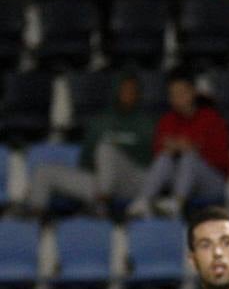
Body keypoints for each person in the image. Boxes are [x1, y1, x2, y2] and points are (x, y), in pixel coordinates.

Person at [26, 73, 154, 217]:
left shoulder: (147, 124)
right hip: (100, 185)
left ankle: (101, 206)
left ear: (138, 94)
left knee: (106, 150)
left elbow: (151, 166)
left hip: (133, 183)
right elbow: (85, 161)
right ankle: (33, 224)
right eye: (124, 90)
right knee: (42, 172)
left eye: (132, 91)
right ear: (116, 92)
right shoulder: (100, 122)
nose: (128, 94)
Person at [127, 70, 229, 219]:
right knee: (165, 157)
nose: (177, 98)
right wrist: (171, 149)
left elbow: (224, 161)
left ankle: (176, 203)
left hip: (211, 181)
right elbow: (158, 156)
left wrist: (194, 148)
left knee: (189, 157)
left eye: (181, 93)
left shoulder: (211, 118)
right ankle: (143, 200)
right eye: (173, 94)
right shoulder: (167, 121)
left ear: (193, 93)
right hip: (179, 179)